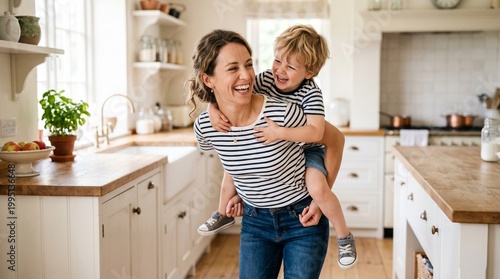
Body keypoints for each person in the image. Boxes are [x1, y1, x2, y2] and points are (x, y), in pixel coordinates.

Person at [196, 25, 357, 269]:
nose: (279, 70)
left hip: (306, 159)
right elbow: (233, 97)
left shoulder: (305, 98)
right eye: (277, 61)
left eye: (248, 65)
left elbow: (322, 135)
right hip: (256, 218)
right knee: (231, 168)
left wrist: (280, 133)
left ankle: (344, 235)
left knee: (317, 186)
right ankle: (222, 213)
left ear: (309, 72)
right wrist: (212, 108)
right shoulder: (262, 82)